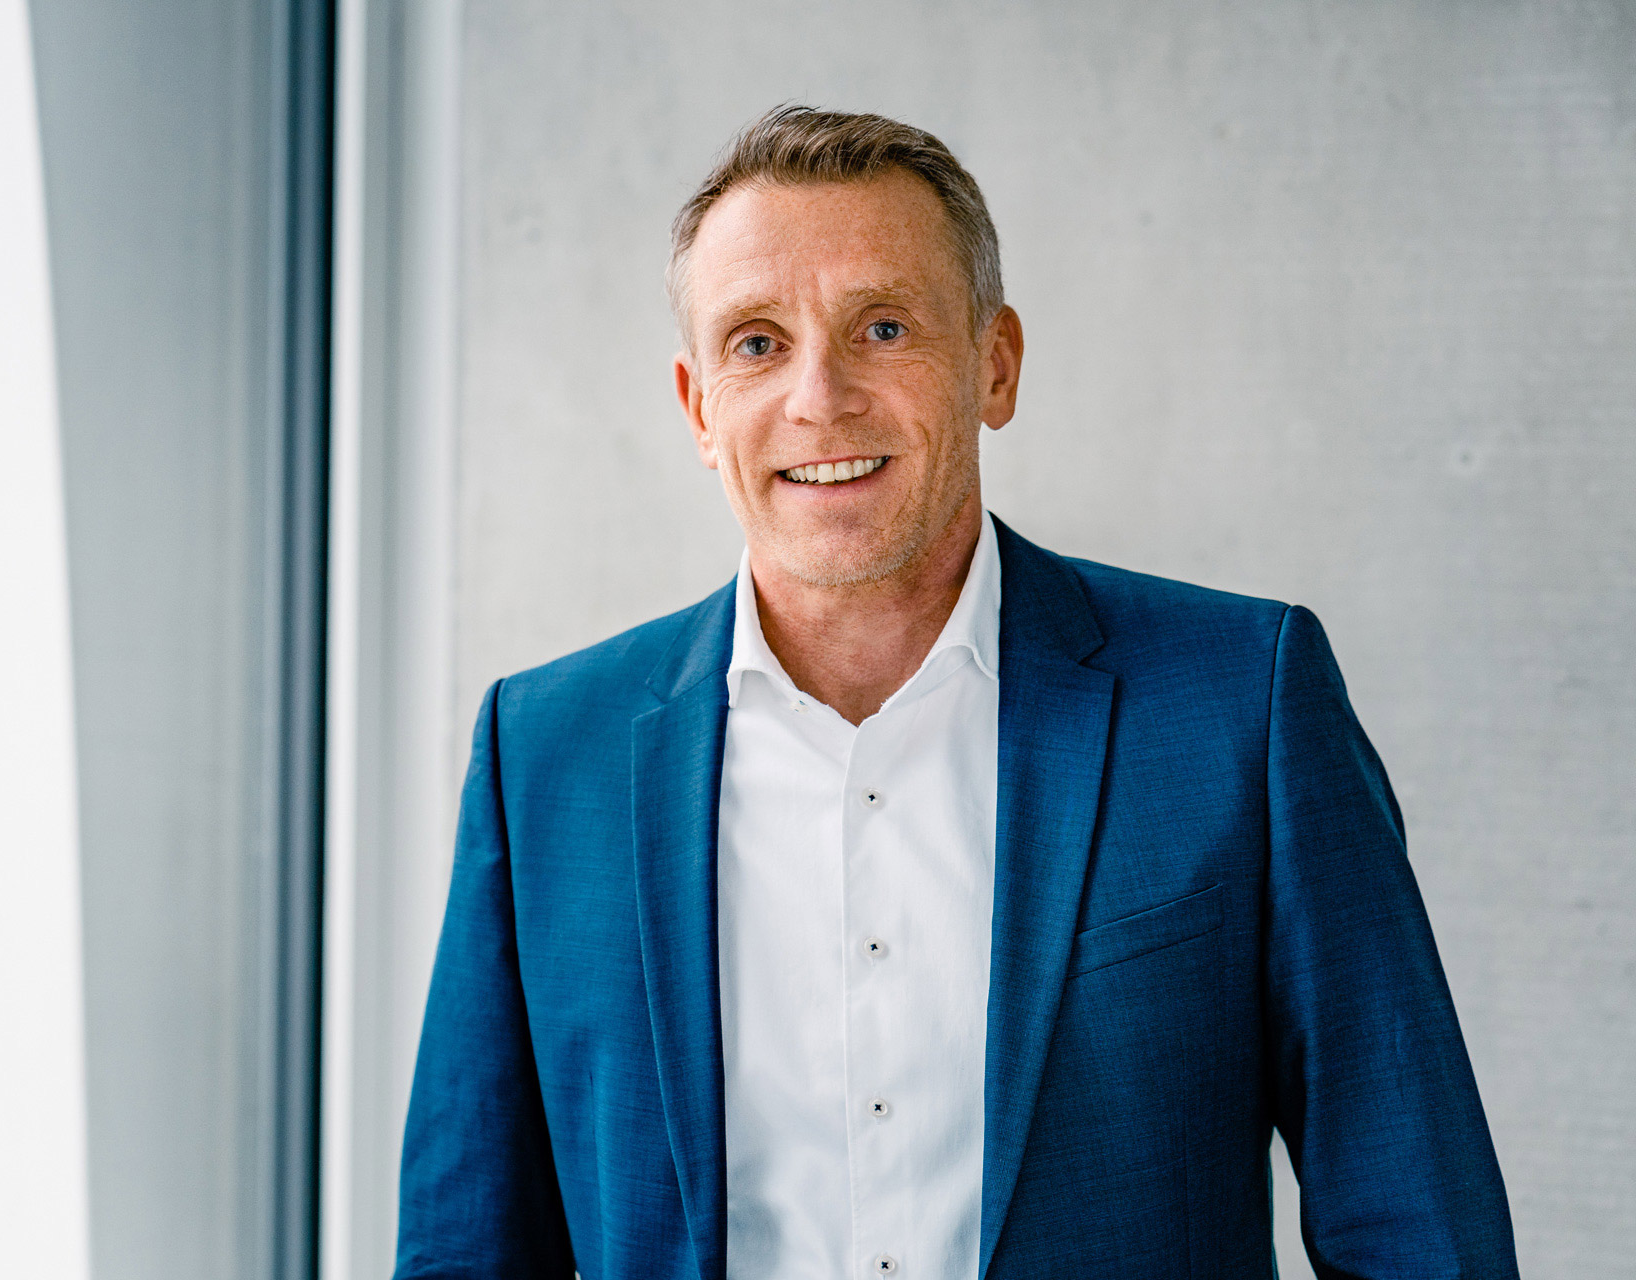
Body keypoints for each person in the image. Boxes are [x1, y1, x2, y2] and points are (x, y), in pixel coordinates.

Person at [393, 105, 1516, 1279]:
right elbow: (466, 1251)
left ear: (995, 361)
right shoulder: (544, 755)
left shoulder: (1243, 703)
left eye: (881, 326)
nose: (819, 398)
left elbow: (1419, 1226)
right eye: (757, 342)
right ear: (698, 408)